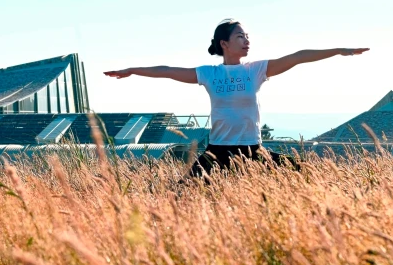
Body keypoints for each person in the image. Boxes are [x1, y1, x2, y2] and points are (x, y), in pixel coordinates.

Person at [104, 18, 368, 179]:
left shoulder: (256, 70)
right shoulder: (208, 73)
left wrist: (338, 51)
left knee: (304, 176)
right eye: (240, 36)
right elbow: (167, 71)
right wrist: (132, 71)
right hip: (218, 150)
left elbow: (297, 56)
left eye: (248, 36)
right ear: (224, 43)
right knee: (181, 195)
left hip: (253, 149)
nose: (246, 40)